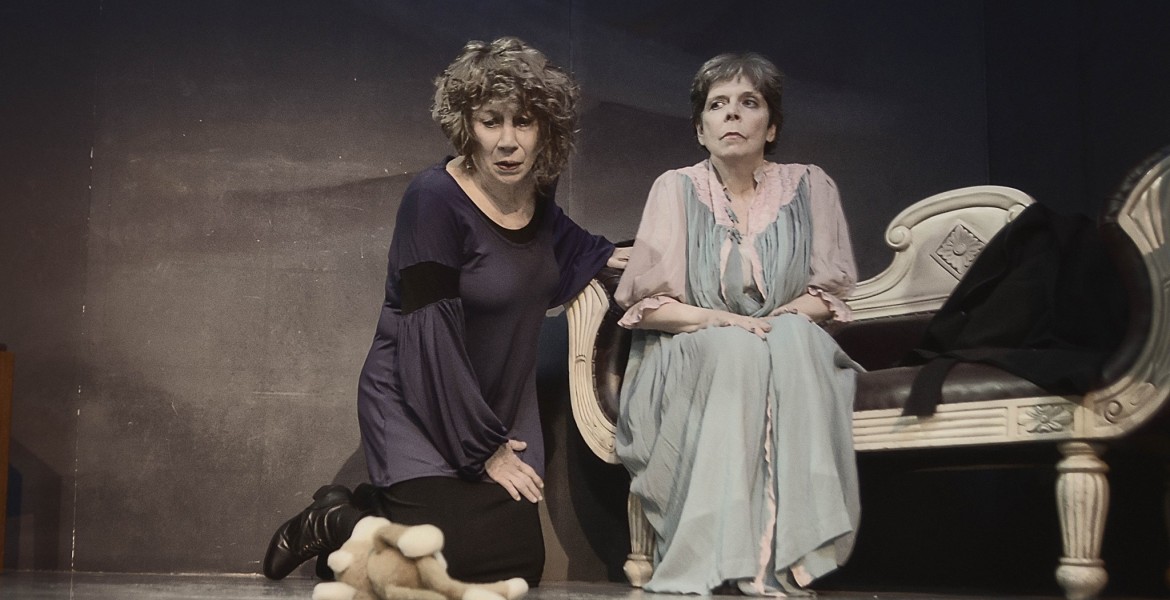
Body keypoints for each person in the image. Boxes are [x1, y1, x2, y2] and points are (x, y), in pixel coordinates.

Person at [263, 36, 624, 587]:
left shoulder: (537, 200)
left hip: (495, 408)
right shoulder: (432, 199)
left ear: (545, 129)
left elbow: (581, 250)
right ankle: (333, 521)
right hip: (421, 402)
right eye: (491, 121)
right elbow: (427, 338)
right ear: (466, 126)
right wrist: (484, 451)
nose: (508, 141)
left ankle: (360, 511)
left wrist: (673, 257)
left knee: (515, 564)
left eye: (524, 122)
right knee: (456, 562)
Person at [613, 52, 860, 596]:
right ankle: (728, 555)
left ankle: (791, 554)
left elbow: (828, 293)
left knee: (794, 338)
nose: (731, 114)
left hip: (783, 344)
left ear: (770, 127)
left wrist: (775, 322)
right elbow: (652, 306)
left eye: (748, 103)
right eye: (717, 105)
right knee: (736, 349)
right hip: (691, 343)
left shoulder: (811, 185)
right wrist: (722, 320)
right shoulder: (675, 188)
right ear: (700, 129)